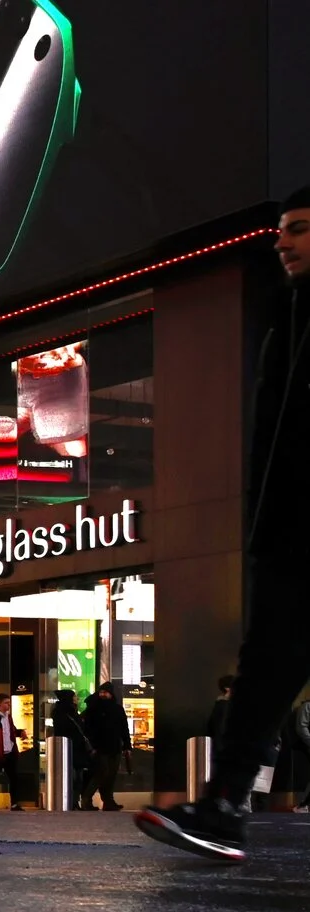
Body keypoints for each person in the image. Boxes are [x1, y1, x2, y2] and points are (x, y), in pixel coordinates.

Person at [143, 191, 310, 856]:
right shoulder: (285, 318)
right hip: (290, 531)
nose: (282, 241)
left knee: (267, 666)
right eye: (279, 232)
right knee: (264, 667)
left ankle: (225, 804)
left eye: (298, 230)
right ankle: (224, 805)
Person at [84, 681, 131, 812]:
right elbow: (87, 729)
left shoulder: (117, 709)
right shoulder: (93, 709)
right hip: (100, 748)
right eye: (101, 692)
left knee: (111, 775)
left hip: (114, 747)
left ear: (111, 694)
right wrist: (93, 746)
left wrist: (127, 746)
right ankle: (87, 799)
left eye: (105, 692)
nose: (103, 695)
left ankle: (108, 801)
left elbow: (124, 729)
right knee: (101, 773)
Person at [47, 691, 87, 810]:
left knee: (77, 777)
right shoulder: (63, 712)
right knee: (74, 777)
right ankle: (71, 801)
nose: (77, 698)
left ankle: (74, 801)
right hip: (69, 748)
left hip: (75, 748)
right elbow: (65, 730)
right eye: (74, 696)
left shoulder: (70, 711)